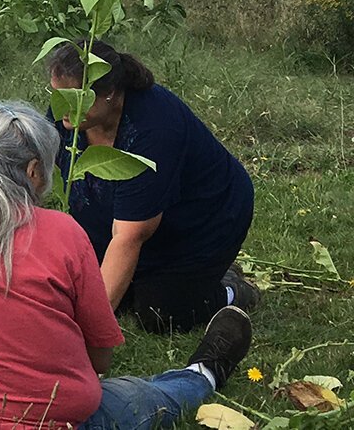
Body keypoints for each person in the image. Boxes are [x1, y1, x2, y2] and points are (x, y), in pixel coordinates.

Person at [0, 101, 253, 430]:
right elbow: (99, 358)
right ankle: (202, 373)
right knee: (143, 398)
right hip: (41, 419)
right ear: (34, 171)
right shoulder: (62, 233)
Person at [47, 40, 257, 331]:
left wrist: (87, 333)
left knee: (161, 312)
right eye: (57, 95)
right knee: (77, 286)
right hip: (126, 218)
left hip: (201, 220)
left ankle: (230, 290)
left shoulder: (153, 130)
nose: (63, 110)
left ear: (109, 93)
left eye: (74, 98)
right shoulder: (67, 115)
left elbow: (128, 236)